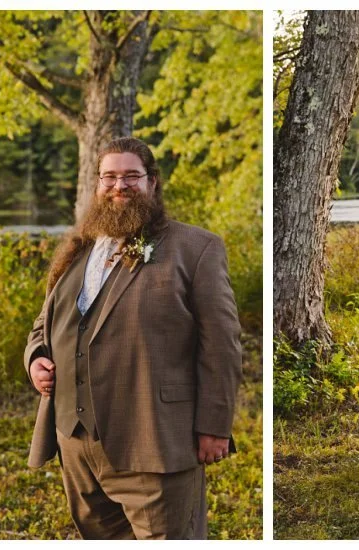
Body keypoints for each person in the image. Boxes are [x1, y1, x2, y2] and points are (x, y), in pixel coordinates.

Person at [23, 137, 242, 539]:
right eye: (109, 177)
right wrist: (36, 357)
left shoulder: (196, 248)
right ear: (97, 184)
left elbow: (222, 344)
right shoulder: (79, 250)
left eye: (130, 176)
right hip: (76, 443)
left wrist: (215, 425)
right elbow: (45, 322)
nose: (118, 186)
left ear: (152, 182)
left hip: (153, 440)